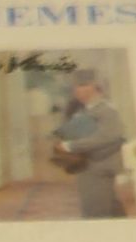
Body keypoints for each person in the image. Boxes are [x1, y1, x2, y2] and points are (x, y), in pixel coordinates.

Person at [51, 68, 128, 219]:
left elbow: (106, 137)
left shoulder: (107, 110)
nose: (78, 91)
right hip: (88, 166)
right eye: (76, 87)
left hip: (100, 167)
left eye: (83, 85)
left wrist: (70, 146)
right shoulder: (86, 110)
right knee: (110, 208)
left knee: (95, 212)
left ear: (94, 87)